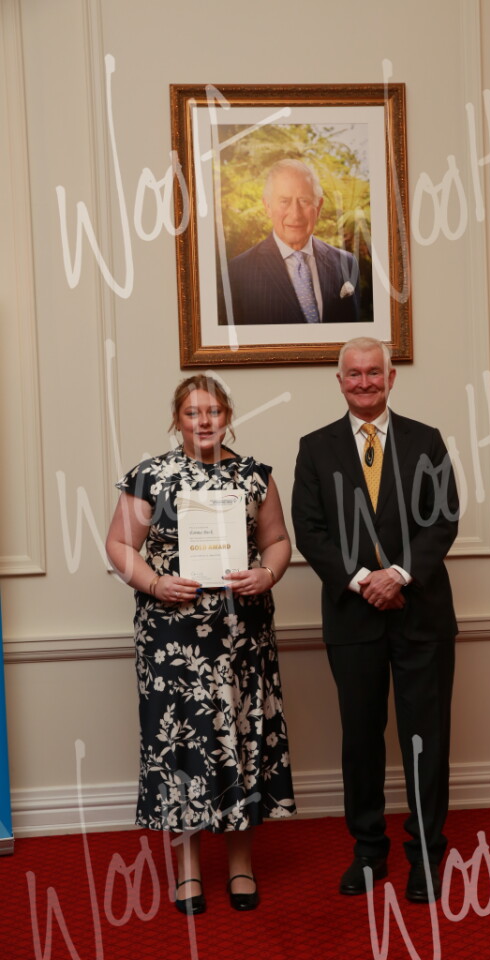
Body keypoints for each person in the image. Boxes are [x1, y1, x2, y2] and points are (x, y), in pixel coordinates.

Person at [105, 375, 295, 915]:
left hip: (242, 637)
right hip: (172, 639)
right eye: (193, 413)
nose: (204, 421)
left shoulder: (255, 476)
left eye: (213, 411)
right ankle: (187, 869)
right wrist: (154, 584)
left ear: (228, 415)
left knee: (242, 741)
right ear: (178, 420)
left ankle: (241, 863)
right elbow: (118, 544)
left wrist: (267, 574)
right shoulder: (150, 475)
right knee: (180, 748)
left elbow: (278, 541)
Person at [291, 337, 458, 903]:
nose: (364, 382)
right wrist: (365, 580)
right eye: (354, 374)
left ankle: (426, 856)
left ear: (391, 378)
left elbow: (443, 520)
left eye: (374, 372)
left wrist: (400, 576)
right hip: (352, 618)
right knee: (360, 740)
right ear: (339, 381)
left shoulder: (426, 441)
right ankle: (368, 851)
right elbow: (309, 530)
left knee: (425, 741)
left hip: (422, 617)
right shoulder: (314, 448)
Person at [225, 159, 362, 325]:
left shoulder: (346, 264)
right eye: (284, 201)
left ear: (318, 207)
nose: (295, 214)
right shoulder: (237, 272)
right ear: (267, 206)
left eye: (304, 201)